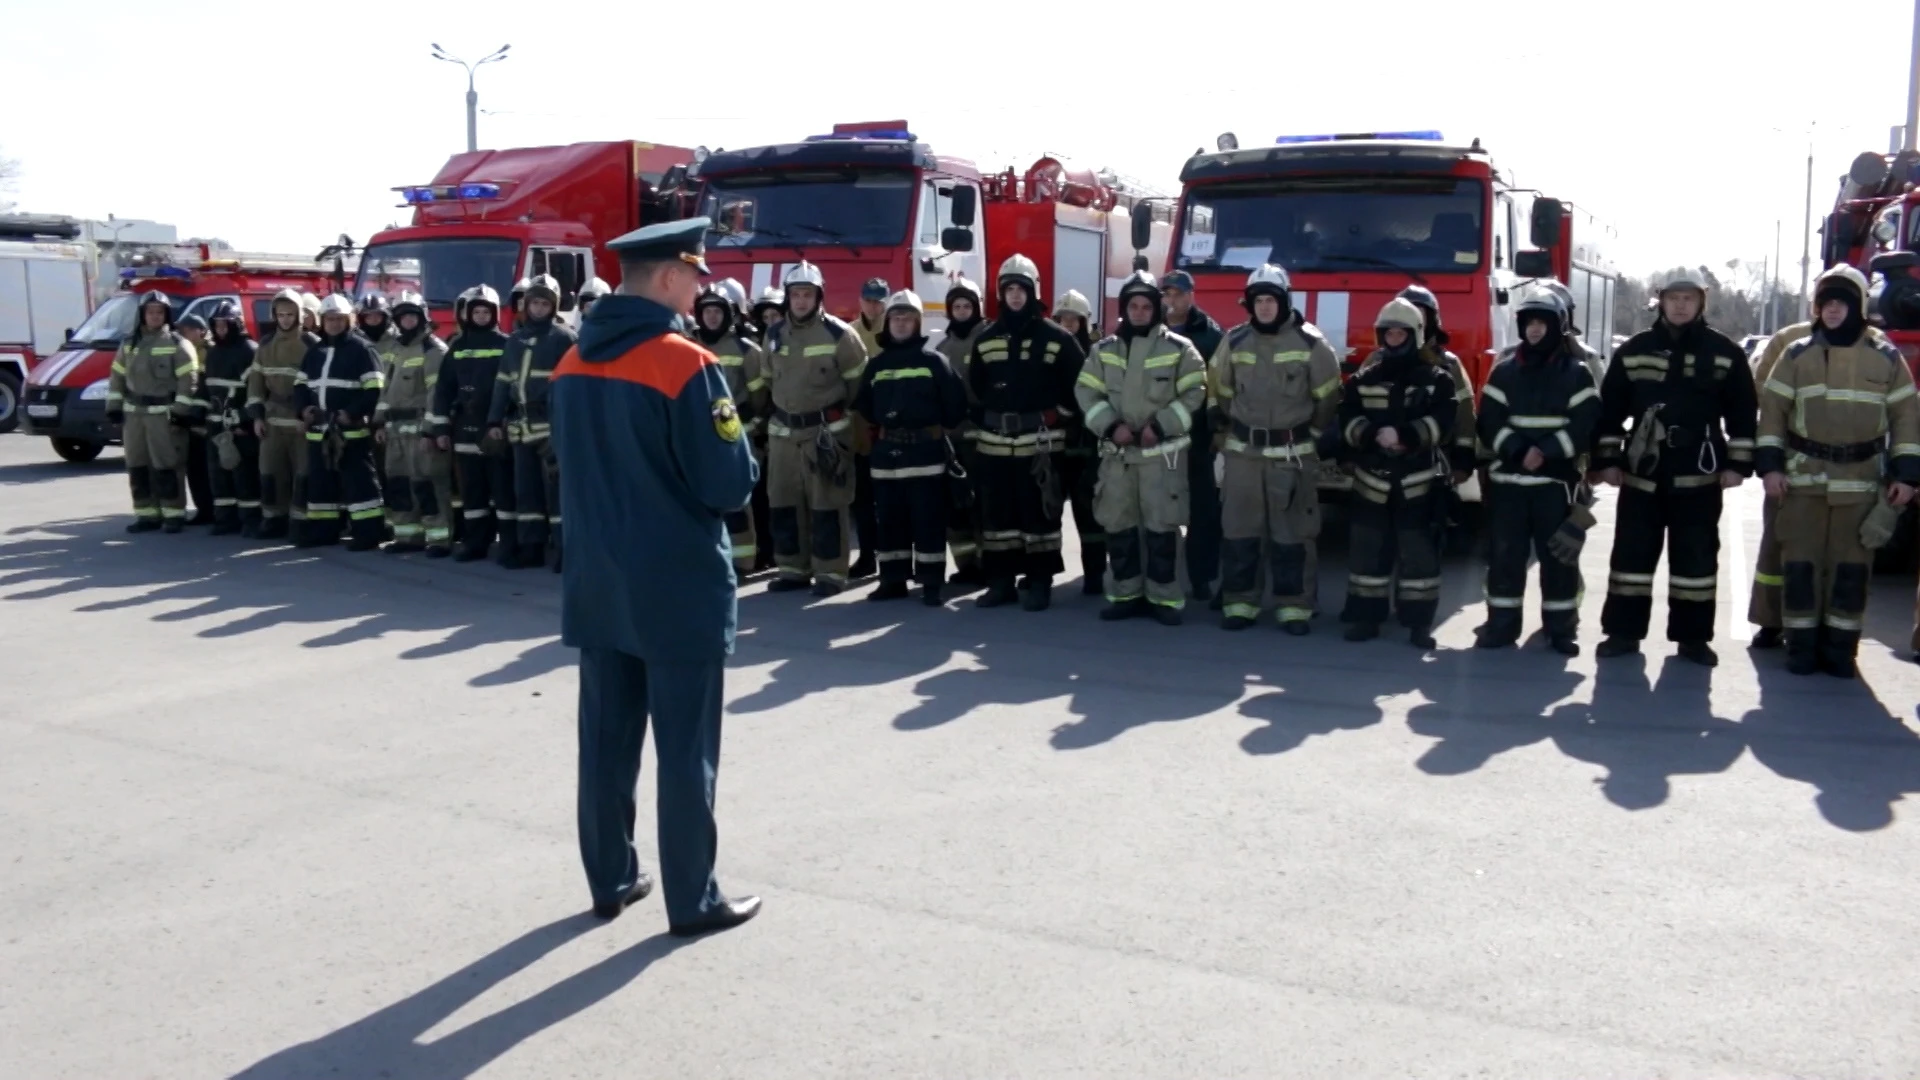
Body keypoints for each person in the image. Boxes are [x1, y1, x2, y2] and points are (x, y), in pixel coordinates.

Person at [550, 217, 761, 936]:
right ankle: (692, 899)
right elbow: (729, 484)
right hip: (676, 586)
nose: (701, 286)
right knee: (684, 749)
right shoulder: (686, 363)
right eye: (695, 273)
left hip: (598, 581)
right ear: (670, 276)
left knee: (606, 742)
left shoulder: (571, 361)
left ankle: (610, 879)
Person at [1756, 265, 1920, 677]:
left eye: (1841, 304)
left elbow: (1906, 418)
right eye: (1826, 303)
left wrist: (1906, 475)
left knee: (1851, 569)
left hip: (1860, 482)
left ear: (1858, 307)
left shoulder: (1885, 357)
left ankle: (1840, 651)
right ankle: (1801, 648)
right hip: (1803, 480)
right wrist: (1770, 468)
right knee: (1800, 567)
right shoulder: (1795, 354)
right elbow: (1772, 414)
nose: (1832, 311)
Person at [1590, 270, 1757, 667]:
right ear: (1660, 301)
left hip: (1699, 475)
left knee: (1696, 562)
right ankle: (1623, 633)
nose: (1681, 305)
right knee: (1631, 558)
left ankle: (1693, 639)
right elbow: (1609, 411)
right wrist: (1608, 461)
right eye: (1673, 298)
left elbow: (1743, 415)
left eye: (1689, 298)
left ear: (1702, 302)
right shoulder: (1634, 350)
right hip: (1642, 474)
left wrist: (1738, 465)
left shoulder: (1725, 353)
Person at [1209, 264, 1343, 633]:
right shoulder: (1233, 342)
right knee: (1239, 532)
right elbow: (1218, 390)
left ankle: (1295, 607)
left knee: (1294, 534)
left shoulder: (1311, 344)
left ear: (1284, 302)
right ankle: (1240, 603)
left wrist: (1310, 437)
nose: (1264, 307)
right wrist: (1225, 433)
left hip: (1292, 456)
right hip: (1243, 457)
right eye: (1258, 300)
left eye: (1271, 300)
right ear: (1249, 304)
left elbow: (1328, 399)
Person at [1474, 289, 1601, 656]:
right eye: (1529, 322)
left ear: (1558, 327)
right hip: (1507, 486)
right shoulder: (1505, 371)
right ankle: (1501, 625)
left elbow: (1586, 423)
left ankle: (1561, 630)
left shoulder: (1576, 374)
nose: (1534, 330)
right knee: (1504, 559)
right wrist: (1516, 450)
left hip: (1554, 486)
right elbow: (1489, 421)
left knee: (1559, 560)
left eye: (1542, 322)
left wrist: (1545, 452)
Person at [1076, 271, 1206, 625]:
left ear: (1156, 309)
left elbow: (1195, 393)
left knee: (1162, 530)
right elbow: (1086, 393)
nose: (1138, 311)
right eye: (1131, 305)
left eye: (1145, 305)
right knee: (1119, 529)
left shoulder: (1180, 350)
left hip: (1161, 461)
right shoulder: (1102, 351)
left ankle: (1165, 600)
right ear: (1124, 309)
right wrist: (1111, 426)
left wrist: (1162, 425)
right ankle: (1125, 595)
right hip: (1118, 461)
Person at [968, 254, 1087, 611]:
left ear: (1033, 292)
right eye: (1009, 290)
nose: (1016, 296)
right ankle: (1001, 583)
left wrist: (1060, 415)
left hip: (1041, 444)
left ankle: (1039, 583)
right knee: (997, 517)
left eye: (1022, 289)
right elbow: (975, 386)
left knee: (1040, 517)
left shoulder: (1058, 338)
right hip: (995, 445)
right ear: (1001, 294)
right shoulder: (986, 338)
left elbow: (1081, 385)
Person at [1334, 297, 1454, 646]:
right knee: (1367, 554)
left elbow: (1443, 423)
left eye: (1402, 332)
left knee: (1419, 557)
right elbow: (1347, 420)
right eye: (1389, 332)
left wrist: (1407, 436)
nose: (1395, 338)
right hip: (1372, 482)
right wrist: (1373, 435)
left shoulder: (1437, 380)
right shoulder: (1363, 379)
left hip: (1418, 485)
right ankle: (1366, 620)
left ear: (1415, 335)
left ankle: (1418, 624)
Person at [853, 290, 969, 605]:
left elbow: (957, 405)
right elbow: (862, 404)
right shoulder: (876, 365)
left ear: (917, 323)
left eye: (907, 318)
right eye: (896, 317)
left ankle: (931, 582)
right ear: (887, 322)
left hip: (926, 454)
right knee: (889, 520)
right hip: (887, 453)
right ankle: (893, 580)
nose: (901, 323)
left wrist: (932, 430)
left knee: (928, 520)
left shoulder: (935, 362)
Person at [763, 261, 868, 595]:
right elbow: (767, 381)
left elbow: (857, 387)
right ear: (788, 298)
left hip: (825, 435)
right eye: (796, 294)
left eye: (808, 294)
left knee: (827, 505)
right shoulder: (774, 334)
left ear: (819, 297)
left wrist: (839, 426)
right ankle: (792, 569)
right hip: (783, 435)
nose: (801, 301)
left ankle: (830, 574)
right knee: (783, 503)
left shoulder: (841, 335)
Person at [489, 273, 577, 571]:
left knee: (557, 493)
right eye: (534, 303)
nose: (538, 308)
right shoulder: (514, 340)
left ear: (553, 307)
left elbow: (573, 387)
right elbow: (502, 384)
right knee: (525, 491)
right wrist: (493, 420)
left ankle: (565, 549)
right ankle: (531, 548)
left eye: (544, 303)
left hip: (551, 428)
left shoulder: (565, 339)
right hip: (521, 428)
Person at [104, 290, 202, 533]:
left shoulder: (178, 344)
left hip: (163, 415)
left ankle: (173, 515)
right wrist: (114, 407)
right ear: (142, 314)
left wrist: (180, 412)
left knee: (167, 465)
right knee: (137, 465)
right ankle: (147, 514)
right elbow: (117, 376)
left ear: (166, 315)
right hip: (134, 415)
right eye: (151, 312)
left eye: (160, 312)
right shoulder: (129, 344)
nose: (155, 316)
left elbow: (188, 380)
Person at [294, 294, 387, 550]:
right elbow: (300, 385)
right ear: (322, 321)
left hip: (350, 431)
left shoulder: (362, 349)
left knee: (360, 484)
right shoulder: (315, 351)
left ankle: (368, 533)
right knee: (320, 484)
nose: (333, 324)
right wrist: (303, 410)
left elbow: (374, 389)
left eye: (338, 319)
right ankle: (323, 532)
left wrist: (353, 413)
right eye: (329, 319)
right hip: (319, 430)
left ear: (349, 320)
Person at [1745, 315, 1814, 648]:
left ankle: (1816, 625)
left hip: (1848, 468)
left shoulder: (1873, 343)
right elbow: (1764, 392)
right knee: (1776, 542)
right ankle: (1770, 620)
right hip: (1791, 459)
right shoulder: (1788, 338)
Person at [431, 286, 514, 563]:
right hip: (463, 429)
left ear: (494, 314)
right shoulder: (458, 347)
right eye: (475, 311)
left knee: (502, 491)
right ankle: (475, 542)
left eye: (485, 311)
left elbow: (511, 389)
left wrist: (503, 420)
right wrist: (440, 429)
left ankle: (508, 544)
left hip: (494, 429)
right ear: (468, 314)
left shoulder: (505, 344)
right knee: (472, 492)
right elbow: (443, 390)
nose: (480, 316)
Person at [692, 282, 769, 576]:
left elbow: (760, 397)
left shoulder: (747, 350)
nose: (712, 317)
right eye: (707, 311)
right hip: (699, 437)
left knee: (737, 500)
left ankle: (743, 561)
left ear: (729, 314)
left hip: (737, 436)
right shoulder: (688, 345)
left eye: (717, 311)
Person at [1161, 270, 1225, 606]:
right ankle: (1161, 578)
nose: (1172, 301)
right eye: (1167, 294)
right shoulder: (1148, 327)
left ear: (1191, 295)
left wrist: (1216, 431)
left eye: (1178, 294)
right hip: (1156, 438)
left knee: (1202, 513)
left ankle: (1201, 579)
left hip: (1196, 438)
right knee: (1160, 512)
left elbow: (1219, 384)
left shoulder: (1211, 335)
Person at [376, 291, 454, 556]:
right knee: (399, 483)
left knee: (428, 484)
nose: (408, 321)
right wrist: (379, 423)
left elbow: (437, 395)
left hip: (420, 429)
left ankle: (439, 539)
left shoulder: (433, 350)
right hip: (395, 430)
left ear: (422, 318)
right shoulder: (395, 349)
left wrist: (430, 431)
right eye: (403, 317)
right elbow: (386, 390)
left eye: (412, 316)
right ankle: (407, 536)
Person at [247, 288, 319, 539]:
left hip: (300, 422)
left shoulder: (311, 344)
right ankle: (273, 519)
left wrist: (308, 416)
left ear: (299, 315)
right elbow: (255, 382)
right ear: (274, 315)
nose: (285, 319)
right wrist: (256, 416)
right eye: (281, 314)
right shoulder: (266, 344)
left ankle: (299, 523)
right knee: (270, 471)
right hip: (272, 419)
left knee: (303, 473)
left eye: (290, 314)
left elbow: (317, 383)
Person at [1051, 289, 1108, 594]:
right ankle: (1042, 573)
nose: (1069, 324)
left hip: (1087, 446)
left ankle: (1095, 574)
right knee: (1048, 512)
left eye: (1075, 319)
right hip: (1054, 447)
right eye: (1064, 318)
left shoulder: (1098, 355)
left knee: (1090, 515)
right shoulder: (1048, 352)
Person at [1396, 284, 1480, 484]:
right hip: (1383, 461)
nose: (1415, 319)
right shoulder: (1377, 361)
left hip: (1435, 463)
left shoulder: (1448, 365)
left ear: (1432, 320)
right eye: (1409, 312)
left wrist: (1463, 460)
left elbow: (1464, 414)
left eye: (1420, 313)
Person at [937, 278, 990, 588]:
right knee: (956, 506)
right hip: (953, 438)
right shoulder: (943, 348)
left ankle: (987, 563)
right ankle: (966, 564)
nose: (961, 311)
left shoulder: (987, 339)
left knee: (982, 505)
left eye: (967, 306)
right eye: (956, 306)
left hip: (982, 437)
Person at [200, 300, 261, 536]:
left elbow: (256, 391)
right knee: (218, 475)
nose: (221, 330)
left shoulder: (249, 351)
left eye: (225, 325)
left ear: (237, 324)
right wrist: (197, 414)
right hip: (216, 425)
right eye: (217, 325)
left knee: (244, 475)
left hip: (240, 426)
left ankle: (250, 520)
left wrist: (246, 420)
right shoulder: (213, 353)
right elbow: (206, 388)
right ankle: (225, 519)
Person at [846, 277, 890, 581]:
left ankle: (893, 556)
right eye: (869, 299)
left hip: (890, 423)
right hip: (861, 426)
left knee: (891, 498)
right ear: (860, 300)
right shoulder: (850, 333)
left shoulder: (897, 327)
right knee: (862, 498)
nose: (873, 305)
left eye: (878, 300)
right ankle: (867, 556)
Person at [175, 313, 217, 526]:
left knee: (208, 466)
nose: (183, 334)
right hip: (189, 419)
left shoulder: (211, 353)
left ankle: (213, 509)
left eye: (187, 330)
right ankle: (203, 509)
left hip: (207, 418)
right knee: (194, 468)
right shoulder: (182, 352)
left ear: (200, 330)